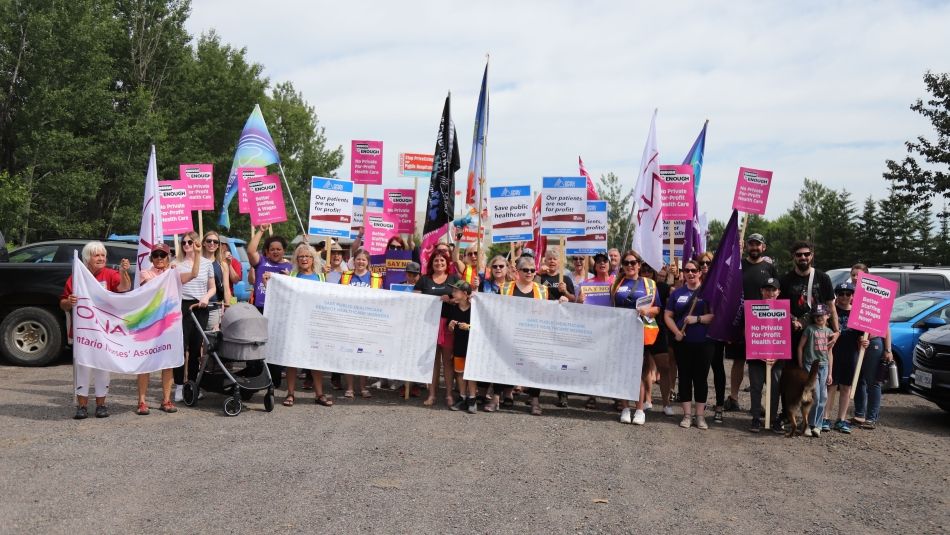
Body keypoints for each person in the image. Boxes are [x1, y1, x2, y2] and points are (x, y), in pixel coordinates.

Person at [60, 241, 131, 419]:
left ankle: (101, 405)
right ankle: (82, 406)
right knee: (83, 368)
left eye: (102, 255)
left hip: (105, 332)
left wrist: (123, 273)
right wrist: (70, 301)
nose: (100, 258)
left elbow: (125, 288)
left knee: (102, 368)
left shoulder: (110, 274)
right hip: (83, 331)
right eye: (96, 255)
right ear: (87, 258)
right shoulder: (77, 276)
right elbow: (63, 304)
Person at [135, 243, 200, 415]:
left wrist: (198, 254)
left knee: (168, 363)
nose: (159, 259)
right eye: (155, 255)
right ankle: (141, 401)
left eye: (162, 255)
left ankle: (166, 399)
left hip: (168, 324)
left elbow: (194, 274)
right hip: (149, 323)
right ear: (151, 258)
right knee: (145, 363)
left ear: (168, 257)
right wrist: (168, 274)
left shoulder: (174, 273)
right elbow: (152, 286)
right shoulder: (146, 273)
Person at [486, 256, 554, 415]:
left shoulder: (542, 290)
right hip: (509, 334)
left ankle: (535, 400)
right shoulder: (505, 288)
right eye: (525, 270)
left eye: (532, 270)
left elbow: (551, 310)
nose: (529, 273)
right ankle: (495, 398)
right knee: (502, 364)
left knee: (535, 367)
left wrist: (562, 300)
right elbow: (492, 306)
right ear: (518, 271)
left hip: (533, 335)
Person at [726, 233, 779, 414]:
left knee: (761, 363)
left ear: (763, 247)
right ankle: (733, 397)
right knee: (738, 361)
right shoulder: (738, 265)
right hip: (740, 319)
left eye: (758, 245)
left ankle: (758, 403)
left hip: (762, 323)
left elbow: (777, 291)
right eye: (751, 244)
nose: (754, 247)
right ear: (746, 246)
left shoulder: (770, 267)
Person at [611, 251, 662, 425]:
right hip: (621, 332)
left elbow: (657, 309)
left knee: (638, 372)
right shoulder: (616, 284)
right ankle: (625, 407)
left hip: (640, 331)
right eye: (626, 263)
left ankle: (639, 409)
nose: (630, 266)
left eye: (633, 263)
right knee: (623, 371)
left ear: (639, 264)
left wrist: (648, 311)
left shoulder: (649, 284)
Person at [664, 260, 715, 429]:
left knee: (701, 379)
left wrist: (697, 319)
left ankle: (700, 416)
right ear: (683, 273)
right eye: (687, 270)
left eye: (694, 270)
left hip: (704, 343)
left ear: (700, 272)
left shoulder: (707, 293)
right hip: (682, 343)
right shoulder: (677, 294)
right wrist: (676, 332)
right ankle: (686, 415)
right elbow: (668, 316)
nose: (690, 273)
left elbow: (713, 316)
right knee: (684, 377)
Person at [283, 243, 333, 408]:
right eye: (301, 256)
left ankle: (319, 394)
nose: (304, 259)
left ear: (313, 259)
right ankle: (290, 393)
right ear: (297, 259)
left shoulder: (321, 277)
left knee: (315, 360)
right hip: (295, 322)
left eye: (307, 256)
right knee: (292, 359)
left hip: (314, 324)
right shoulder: (292, 276)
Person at [246, 225, 293, 388]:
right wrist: (261, 231)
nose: (275, 252)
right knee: (256, 343)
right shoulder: (261, 262)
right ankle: (254, 375)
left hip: (278, 311)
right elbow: (251, 251)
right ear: (266, 251)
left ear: (283, 251)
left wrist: (289, 279)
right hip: (260, 309)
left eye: (279, 249)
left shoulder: (289, 268)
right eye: (272, 249)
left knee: (274, 344)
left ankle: (274, 378)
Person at [173, 231, 216, 402]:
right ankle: (178, 385)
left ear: (197, 243)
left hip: (201, 306)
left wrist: (206, 296)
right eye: (184, 243)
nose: (186, 245)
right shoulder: (177, 264)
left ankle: (192, 384)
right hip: (183, 306)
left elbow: (212, 287)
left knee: (196, 347)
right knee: (181, 348)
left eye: (190, 242)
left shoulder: (207, 264)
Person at [414, 250, 460, 407]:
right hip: (429, 326)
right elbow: (414, 300)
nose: (439, 263)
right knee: (433, 362)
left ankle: (448, 394)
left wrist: (452, 299)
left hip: (448, 325)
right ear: (431, 263)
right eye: (436, 261)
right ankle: (432, 394)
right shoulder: (424, 280)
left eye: (442, 261)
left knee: (447, 361)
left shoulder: (454, 279)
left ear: (447, 263)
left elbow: (464, 298)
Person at [826, 281, 870, 434]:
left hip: (851, 354)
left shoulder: (858, 314)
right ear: (836, 296)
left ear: (853, 296)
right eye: (841, 294)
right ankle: (825, 417)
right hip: (833, 353)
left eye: (848, 294)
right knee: (831, 386)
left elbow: (861, 336)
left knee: (846, 387)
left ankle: (841, 419)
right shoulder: (831, 311)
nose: (844, 297)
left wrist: (865, 341)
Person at [339, 248, 383, 399]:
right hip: (348, 322)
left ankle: (363, 387)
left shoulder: (376, 277)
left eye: (364, 259)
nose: (360, 262)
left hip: (368, 323)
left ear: (368, 262)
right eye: (358, 259)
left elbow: (383, 300)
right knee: (348, 355)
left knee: (365, 355)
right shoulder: (345, 276)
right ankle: (350, 387)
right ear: (353, 260)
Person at [747, 278, 788, 433]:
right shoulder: (752, 308)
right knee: (756, 388)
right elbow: (747, 332)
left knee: (775, 389)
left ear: (778, 292)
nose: (770, 292)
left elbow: (784, 335)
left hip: (777, 359)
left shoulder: (784, 309)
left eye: (773, 290)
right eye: (767, 289)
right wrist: (758, 352)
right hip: (756, 358)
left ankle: (771, 419)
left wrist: (777, 355)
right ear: (761, 291)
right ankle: (756, 419)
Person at [641, 262, 675, 416]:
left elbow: (674, 299)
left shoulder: (661, 287)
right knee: (645, 367)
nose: (646, 272)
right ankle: (647, 400)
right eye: (644, 269)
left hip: (658, 330)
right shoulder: (636, 286)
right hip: (639, 330)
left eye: (649, 269)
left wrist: (674, 278)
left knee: (665, 367)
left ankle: (666, 403)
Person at [797, 304, 836, 437]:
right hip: (810, 365)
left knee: (823, 397)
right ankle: (807, 424)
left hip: (824, 366)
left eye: (822, 315)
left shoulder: (830, 332)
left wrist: (830, 372)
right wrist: (801, 363)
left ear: (828, 316)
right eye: (817, 316)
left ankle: (817, 425)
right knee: (815, 396)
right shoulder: (809, 329)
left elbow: (830, 353)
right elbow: (800, 347)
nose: (819, 318)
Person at [697, 250, 726, 422]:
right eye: (702, 264)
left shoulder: (719, 284)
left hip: (715, 332)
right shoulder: (694, 283)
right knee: (701, 370)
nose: (705, 266)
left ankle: (720, 405)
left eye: (709, 263)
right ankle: (701, 403)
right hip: (697, 332)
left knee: (718, 368)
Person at [447, 280, 477, 414]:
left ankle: (472, 399)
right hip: (458, 346)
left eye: (455, 291)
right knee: (459, 373)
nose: (452, 293)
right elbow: (449, 327)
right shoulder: (453, 308)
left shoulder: (475, 309)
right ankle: (462, 397)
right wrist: (451, 326)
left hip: (472, 347)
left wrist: (469, 327)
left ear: (465, 294)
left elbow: (481, 326)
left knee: (471, 374)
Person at [201, 231, 229, 330]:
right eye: (209, 241)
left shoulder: (222, 265)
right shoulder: (196, 262)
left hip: (214, 308)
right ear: (203, 243)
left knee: (211, 342)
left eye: (215, 242)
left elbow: (226, 287)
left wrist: (228, 307)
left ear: (218, 245)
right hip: (197, 307)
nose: (212, 243)